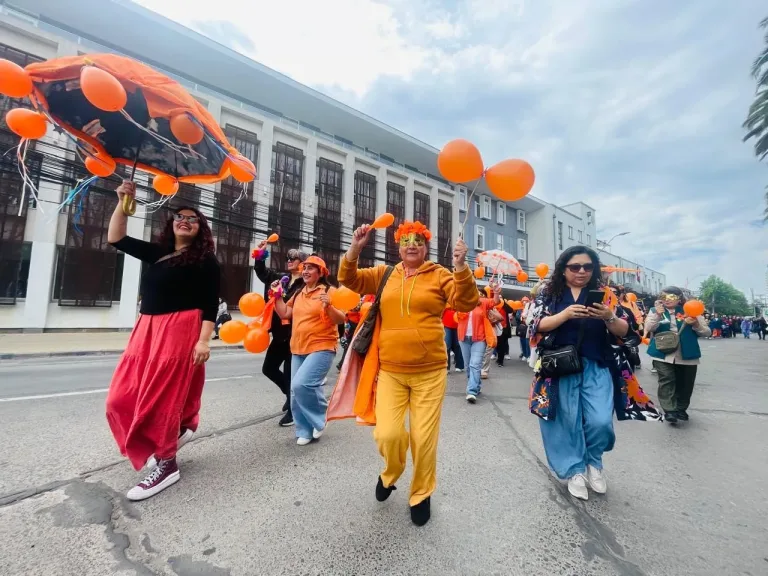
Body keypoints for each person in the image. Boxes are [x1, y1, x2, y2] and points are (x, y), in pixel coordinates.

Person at [337, 221, 477, 526]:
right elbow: (348, 278)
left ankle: (421, 493)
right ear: (398, 247)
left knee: (424, 440)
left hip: (430, 373)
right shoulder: (384, 274)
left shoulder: (440, 274)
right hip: (391, 372)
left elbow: (466, 302)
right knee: (387, 434)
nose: (411, 245)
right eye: (405, 241)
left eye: (417, 241)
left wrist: (460, 266)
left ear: (426, 247)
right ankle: (391, 473)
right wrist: (355, 248)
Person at [106, 181, 220, 501]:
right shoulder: (157, 252)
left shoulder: (205, 260)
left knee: (162, 399)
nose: (185, 220)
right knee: (120, 397)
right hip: (146, 329)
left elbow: (210, 304)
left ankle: (167, 462)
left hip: (181, 330)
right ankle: (178, 429)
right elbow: (116, 237)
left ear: (200, 229)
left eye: (193, 218)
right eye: (179, 216)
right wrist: (122, 202)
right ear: (171, 223)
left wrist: (203, 341)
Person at [526, 246, 633, 500]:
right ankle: (574, 470)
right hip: (559, 368)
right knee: (564, 422)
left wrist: (608, 316)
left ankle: (594, 463)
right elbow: (533, 325)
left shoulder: (606, 295)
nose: (582, 271)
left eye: (588, 266)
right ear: (563, 269)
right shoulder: (549, 294)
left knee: (600, 421)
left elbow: (626, 331)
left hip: (597, 365)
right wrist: (564, 315)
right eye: (575, 266)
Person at [274, 255, 345, 445]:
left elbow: (340, 319)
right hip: (298, 347)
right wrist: (276, 297)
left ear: (320, 273)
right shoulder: (299, 293)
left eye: (310, 268)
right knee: (295, 392)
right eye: (304, 268)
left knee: (301, 384)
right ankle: (304, 430)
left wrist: (329, 306)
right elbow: (285, 313)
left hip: (322, 346)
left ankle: (320, 417)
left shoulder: (330, 291)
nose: (305, 271)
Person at [253, 243, 307, 427]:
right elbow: (262, 272)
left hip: (295, 335)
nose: (289, 261)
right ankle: (288, 394)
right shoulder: (280, 279)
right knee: (268, 368)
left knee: (291, 375)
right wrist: (260, 254)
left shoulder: (305, 284)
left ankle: (293, 412)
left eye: (293, 258)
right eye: (288, 259)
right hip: (278, 334)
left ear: (302, 262)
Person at [645, 286, 711, 423]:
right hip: (662, 353)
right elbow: (648, 328)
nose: (667, 300)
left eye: (671, 297)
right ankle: (670, 410)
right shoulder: (655, 311)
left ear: (679, 298)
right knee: (666, 380)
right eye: (663, 297)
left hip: (687, 353)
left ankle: (681, 409)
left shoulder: (691, 311)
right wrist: (657, 315)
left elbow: (706, 332)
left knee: (686, 383)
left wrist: (696, 324)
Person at [458, 287, 500, 402]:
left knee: (475, 364)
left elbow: (495, 301)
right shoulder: (461, 302)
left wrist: (496, 292)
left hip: (479, 339)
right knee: (468, 366)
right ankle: (476, 385)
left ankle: (471, 391)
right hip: (463, 338)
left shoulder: (483, 302)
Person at [442, 306, 465, 373]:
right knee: (447, 345)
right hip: (446, 323)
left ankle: (459, 365)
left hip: (458, 322)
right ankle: (446, 367)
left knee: (458, 345)